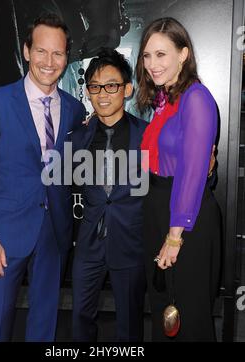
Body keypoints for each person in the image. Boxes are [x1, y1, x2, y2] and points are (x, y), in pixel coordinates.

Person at [0, 13, 86, 342]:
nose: (50, 61)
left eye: (58, 53)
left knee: (44, 322)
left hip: (54, 234)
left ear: (67, 56)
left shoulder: (75, 110)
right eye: (42, 51)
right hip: (2, 236)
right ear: (27, 51)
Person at [136, 17, 222, 341]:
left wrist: (174, 236)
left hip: (186, 220)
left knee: (187, 316)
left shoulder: (196, 98)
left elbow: (192, 171)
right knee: (163, 311)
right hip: (160, 210)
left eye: (161, 55)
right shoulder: (164, 101)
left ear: (183, 54)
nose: (152, 64)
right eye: (146, 55)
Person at [71, 48, 148, 342]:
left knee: (129, 323)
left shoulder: (148, 135)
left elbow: (171, 185)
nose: (103, 94)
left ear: (127, 89)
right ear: (88, 92)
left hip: (130, 242)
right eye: (95, 87)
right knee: (80, 316)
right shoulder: (78, 137)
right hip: (89, 243)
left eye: (111, 85)